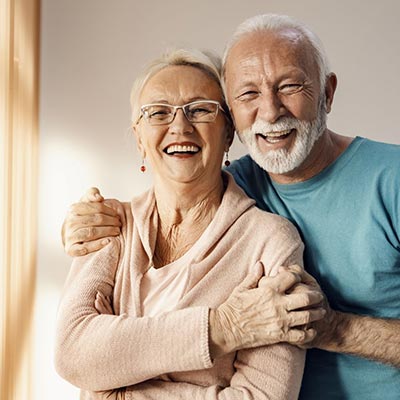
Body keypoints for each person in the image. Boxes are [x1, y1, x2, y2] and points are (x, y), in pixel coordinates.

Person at [62, 14, 400, 400]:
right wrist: (79, 223)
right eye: (248, 94)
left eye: (290, 86)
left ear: (327, 93)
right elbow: (72, 352)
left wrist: (335, 329)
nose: (271, 112)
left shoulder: (388, 181)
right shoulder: (234, 180)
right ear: (235, 119)